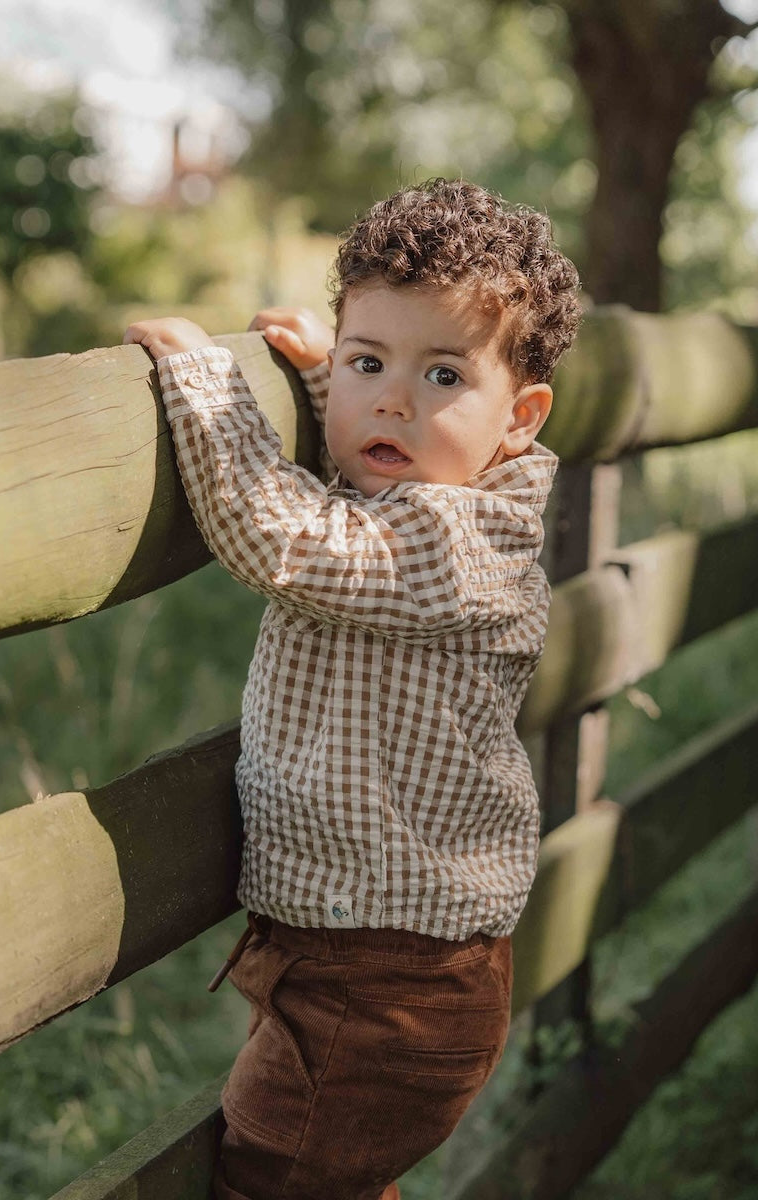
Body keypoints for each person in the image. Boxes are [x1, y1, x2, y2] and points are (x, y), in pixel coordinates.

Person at [122, 178, 582, 1200]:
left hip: (391, 989)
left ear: (522, 419)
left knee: (273, 1184)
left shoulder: (466, 547)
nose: (394, 401)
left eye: (444, 375)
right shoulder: (425, 492)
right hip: (361, 960)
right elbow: (388, 457)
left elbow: (292, 539)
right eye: (372, 362)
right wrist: (334, 372)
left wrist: (209, 384)